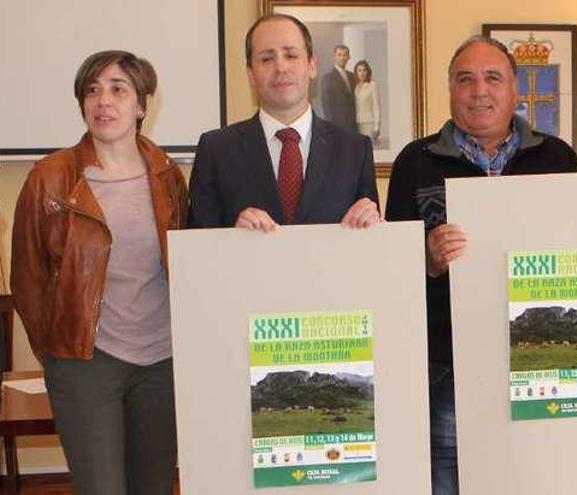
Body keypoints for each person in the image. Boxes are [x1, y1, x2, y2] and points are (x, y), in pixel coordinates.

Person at [385, 35, 577, 495]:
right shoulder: (415, 162)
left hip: (541, 361)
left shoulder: (558, 158)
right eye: (465, 79)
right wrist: (428, 260)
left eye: (493, 78)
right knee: (448, 477)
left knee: (538, 476)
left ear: (514, 89)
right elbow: (389, 273)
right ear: (449, 90)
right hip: (446, 365)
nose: (479, 90)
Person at [10, 50, 187, 495]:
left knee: (155, 487)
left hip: (162, 363)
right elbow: (28, 281)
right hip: (86, 364)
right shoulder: (49, 178)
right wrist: (60, 353)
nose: (103, 100)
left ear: (142, 104)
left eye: (118, 89)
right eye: (92, 90)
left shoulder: (167, 174)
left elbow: (186, 265)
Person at [189, 15, 379, 231]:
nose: (280, 67)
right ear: (251, 74)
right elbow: (197, 251)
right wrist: (233, 237)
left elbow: (370, 249)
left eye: (291, 55)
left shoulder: (354, 150)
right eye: (266, 59)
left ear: (312, 65)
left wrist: (368, 227)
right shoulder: (216, 149)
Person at [319, 44, 358, 133]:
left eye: (345, 55)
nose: (342, 58)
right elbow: (326, 106)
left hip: (353, 125)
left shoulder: (352, 77)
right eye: (339, 55)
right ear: (334, 57)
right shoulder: (328, 78)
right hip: (337, 126)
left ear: (349, 57)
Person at [354, 59, 381, 145]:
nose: (362, 73)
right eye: (359, 70)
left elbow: (376, 107)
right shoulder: (355, 87)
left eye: (364, 70)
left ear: (367, 72)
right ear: (356, 72)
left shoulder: (372, 85)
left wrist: (376, 127)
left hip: (369, 123)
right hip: (356, 123)